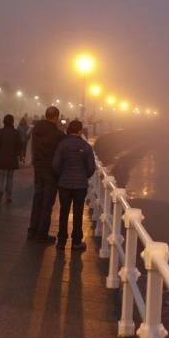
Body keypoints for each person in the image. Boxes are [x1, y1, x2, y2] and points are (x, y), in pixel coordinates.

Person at [52, 119, 96, 251]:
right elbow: (91, 168)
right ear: (80, 130)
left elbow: (55, 165)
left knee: (64, 212)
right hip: (80, 186)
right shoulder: (86, 146)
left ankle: (61, 241)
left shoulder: (62, 145)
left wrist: (62, 175)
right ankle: (76, 241)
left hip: (64, 184)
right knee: (78, 213)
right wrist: (83, 176)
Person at [27, 106, 65, 242]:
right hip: (51, 171)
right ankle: (42, 234)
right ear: (56, 117)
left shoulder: (37, 128)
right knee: (47, 203)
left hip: (38, 167)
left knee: (37, 199)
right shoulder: (58, 135)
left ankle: (32, 230)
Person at [0, 114, 23, 204]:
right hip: (12, 159)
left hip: (1, 159)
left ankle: (0, 190)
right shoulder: (16, 133)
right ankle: (9, 197)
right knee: (10, 178)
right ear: (12, 122)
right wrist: (19, 155)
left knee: (0, 177)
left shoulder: (0, 132)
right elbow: (19, 146)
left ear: (4, 121)